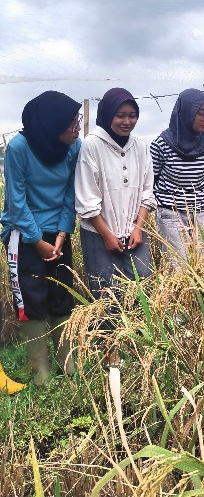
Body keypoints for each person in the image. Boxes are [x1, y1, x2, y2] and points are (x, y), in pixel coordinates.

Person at [1, 91, 82, 385]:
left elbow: (71, 194)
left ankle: (67, 364)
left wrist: (61, 234)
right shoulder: (19, 148)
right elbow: (16, 202)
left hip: (57, 234)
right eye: (72, 122)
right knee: (32, 300)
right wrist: (38, 240)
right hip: (23, 235)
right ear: (51, 125)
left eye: (78, 120)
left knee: (62, 295)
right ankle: (40, 373)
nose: (77, 128)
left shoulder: (74, 148)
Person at [75, 88, 156, 365]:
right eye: (120, 115)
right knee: (105, 291)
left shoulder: (141, 146)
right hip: (99, 233)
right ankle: (111, 351)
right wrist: (107, 234)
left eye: (132, 115)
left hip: (133, 231)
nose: (127, 121)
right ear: (107, 114)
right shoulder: (92, 145)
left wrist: (138, 228)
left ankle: (136, 342)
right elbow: (86, 198)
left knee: (142, 284)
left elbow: (147, 190)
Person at [151, 89, 204, 264]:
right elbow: (153, 179)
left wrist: (194, 198)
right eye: (200, 113)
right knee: (179, 265)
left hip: (200, 210)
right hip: (170, 211)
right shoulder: (161, 144)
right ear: (186, 112)